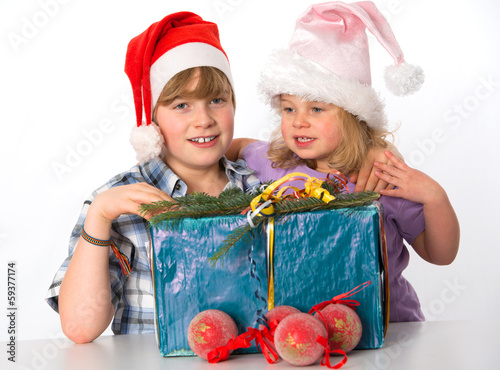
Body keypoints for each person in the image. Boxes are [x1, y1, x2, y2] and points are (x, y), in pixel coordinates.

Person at [231, 1, 460, 321]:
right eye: (288, 108)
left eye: (317, 109)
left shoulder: (381, 177)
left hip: (390, 328)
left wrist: (435, 197)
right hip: (304, 330)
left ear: (354, 116)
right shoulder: (273, 162)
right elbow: (237, 146)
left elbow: (440, 254)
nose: (298, 122)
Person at [45, 12, 261, 343]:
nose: (203, 119)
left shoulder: (258, 187)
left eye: (216, 100)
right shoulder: (118, 201)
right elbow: (80, 327)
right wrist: (100, 216)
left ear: (234, 103)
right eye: (181, 105)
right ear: (152, 119)